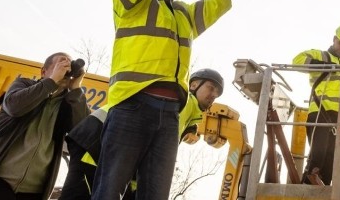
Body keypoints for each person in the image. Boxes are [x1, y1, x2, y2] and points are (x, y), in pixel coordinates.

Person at [90, 0, 233, 200]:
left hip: (169, 116)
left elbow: (221, 3)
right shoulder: (130, 1)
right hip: (132, 103)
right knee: (108, 191)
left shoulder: (184, 14)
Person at [59, 69, 225, 200]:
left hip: (96, 146)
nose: (213, 95)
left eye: (217, 94)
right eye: (211, 88)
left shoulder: (188, 114)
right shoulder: (184, 103)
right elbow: (150, 146)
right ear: (194, 84)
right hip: (95, 149)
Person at [0, 52, 88, 200]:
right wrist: (51, 81)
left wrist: (75, 89)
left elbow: (84, 131)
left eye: (70, 63)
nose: (67, 66)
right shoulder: (24, 85)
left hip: (34, 191)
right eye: (62, 62)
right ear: (44, 71)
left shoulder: (69, 104)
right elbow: (15, 107)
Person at [292, 23, 340, 185]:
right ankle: (306, 186)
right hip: (319, 111)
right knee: (318, 154)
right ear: (334, 39)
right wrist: (325, 66)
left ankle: (321, 188)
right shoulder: (320, 55)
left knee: (331, 161)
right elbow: (297, 61)